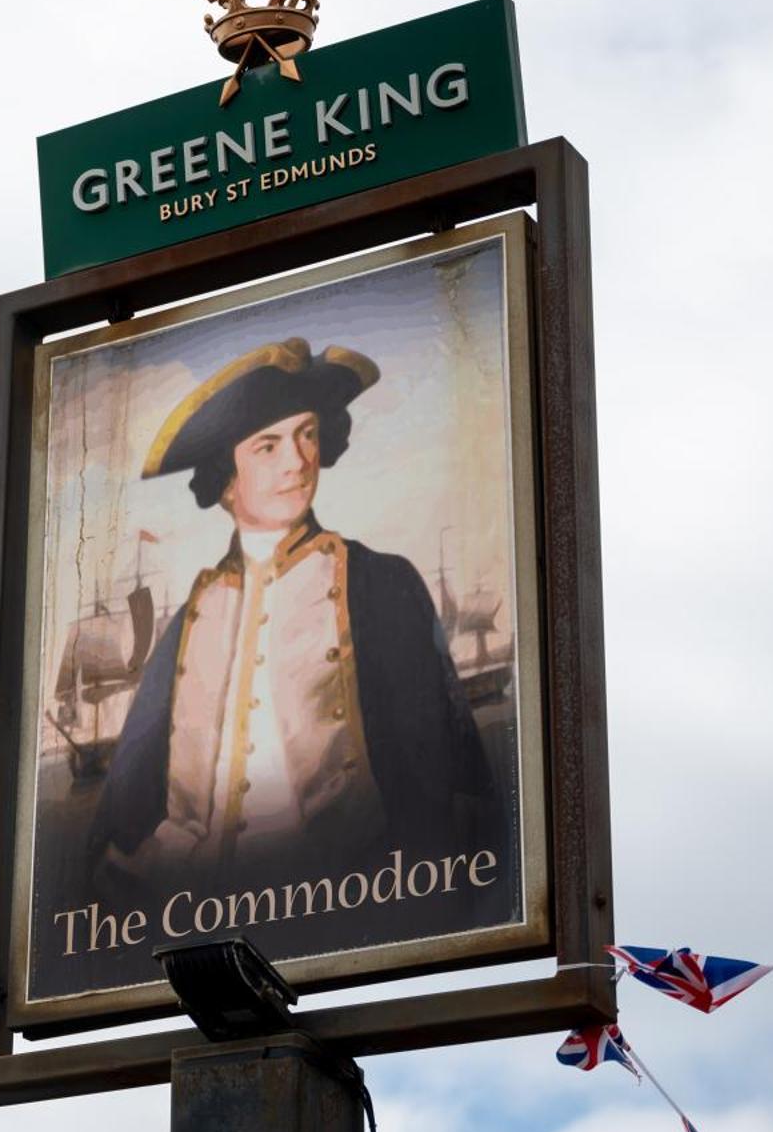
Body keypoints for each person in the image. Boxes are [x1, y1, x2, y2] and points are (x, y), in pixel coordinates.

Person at [87, 337, 498, 900]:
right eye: (268, 446)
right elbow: (130, 797)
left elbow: (436, 771)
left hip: (353, 895)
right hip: (196, 912)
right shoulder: (192, 617)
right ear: (225, 479)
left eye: (307, 435)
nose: (298, 461)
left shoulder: (381, 585)